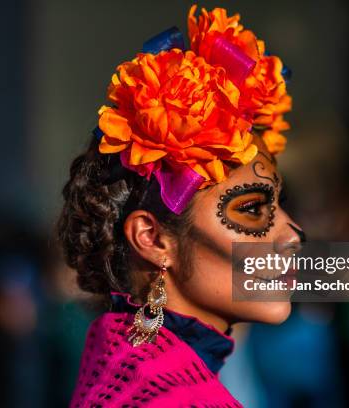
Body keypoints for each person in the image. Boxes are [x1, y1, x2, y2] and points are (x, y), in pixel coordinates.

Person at [57, 5, 305, 406]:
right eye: (252, 210)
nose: (292, 234)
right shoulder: (170, 396)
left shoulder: (125, 363)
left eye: (280, 204)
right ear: (153, 239)